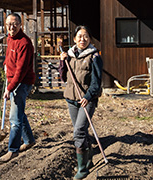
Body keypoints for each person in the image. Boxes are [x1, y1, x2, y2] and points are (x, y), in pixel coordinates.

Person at [59, 26, 103, 180]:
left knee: (78, 131)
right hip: (71, 98)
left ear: (90, 39)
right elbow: (64, 77)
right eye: (79, 36)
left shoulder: (94, 56)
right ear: (74, 39)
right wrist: (62, 62)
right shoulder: (70, 55)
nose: (82, 39)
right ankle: (88, 158)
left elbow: (96, 82)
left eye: (85, 36)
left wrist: (88, 96)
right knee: (81, 130)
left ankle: (82, 168)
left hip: (87, 99)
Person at [0, 13, 36, 162]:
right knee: (19, 112)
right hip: (13, 80)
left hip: (22, 82)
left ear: (21, 25)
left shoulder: (25, 43)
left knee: (15, 118)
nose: (11, 27)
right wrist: (6, 65)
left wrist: (10, 88)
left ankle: (13, 150)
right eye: (9, 24)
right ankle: (29, 141)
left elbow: (21, 70)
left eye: (15, 24)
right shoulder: (10, 38)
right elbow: (9, 56)